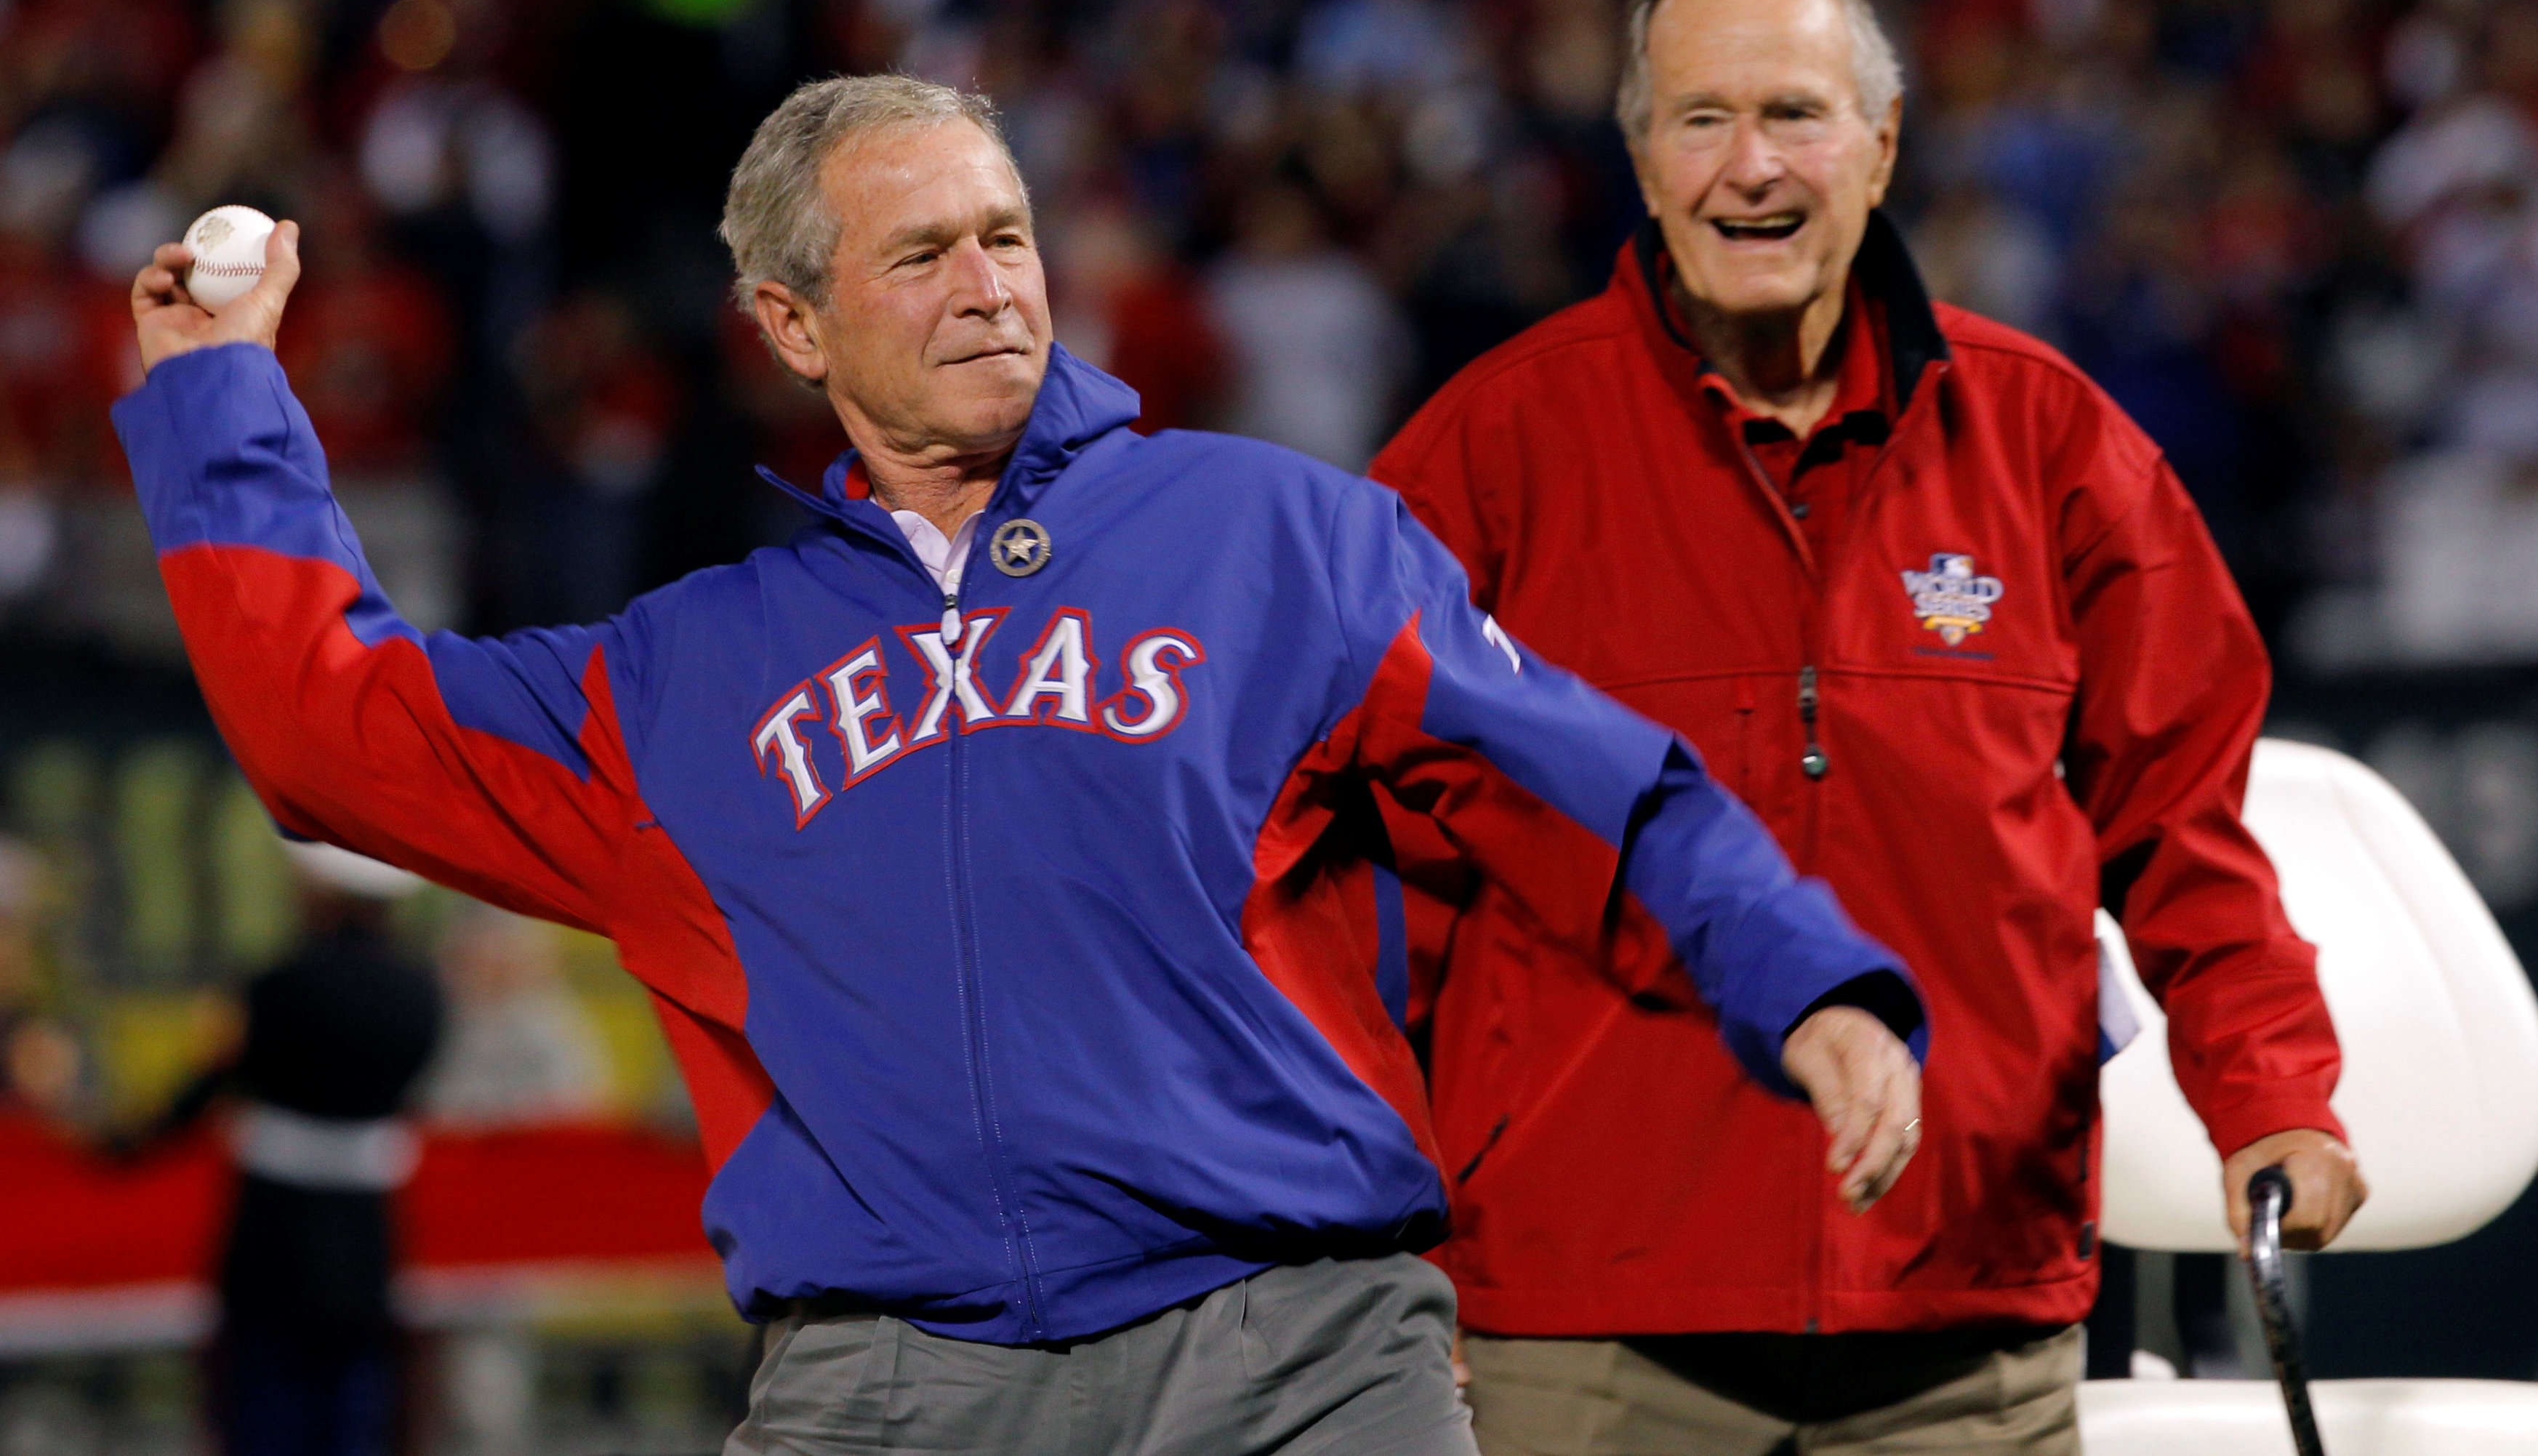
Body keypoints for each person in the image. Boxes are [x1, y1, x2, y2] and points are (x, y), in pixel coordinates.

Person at [117, 72, 1929, 1456]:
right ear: (793, 326)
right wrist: (219, 405)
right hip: (884, 1386)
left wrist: (1809, 980)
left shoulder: (1277, 539)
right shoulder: (680, 677)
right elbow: (330, 735)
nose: (991, 285)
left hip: (1289, 1354)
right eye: (922, 254)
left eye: (1006, 233)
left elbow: (1602, 784)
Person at [1369, 0, 2367, 1456]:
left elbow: (2185, 826)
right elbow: (1370, 901)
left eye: (1793, 115)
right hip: (1588, 1332)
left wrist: (2272, 1091)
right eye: (1699, 121)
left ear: (1881, 142)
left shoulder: (2053, 447)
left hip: (1964, 1320)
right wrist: (1397, 1256)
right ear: (1640, 161)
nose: (1747, 168)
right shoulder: (1483, 462)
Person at [121, 841, 443, 1456]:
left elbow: (212, 1086)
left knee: (266, 1399)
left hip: (274, 1229)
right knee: (352, 1399)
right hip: (365, 1229)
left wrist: (125, 1141)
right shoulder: (421, 996)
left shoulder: (277, 987)